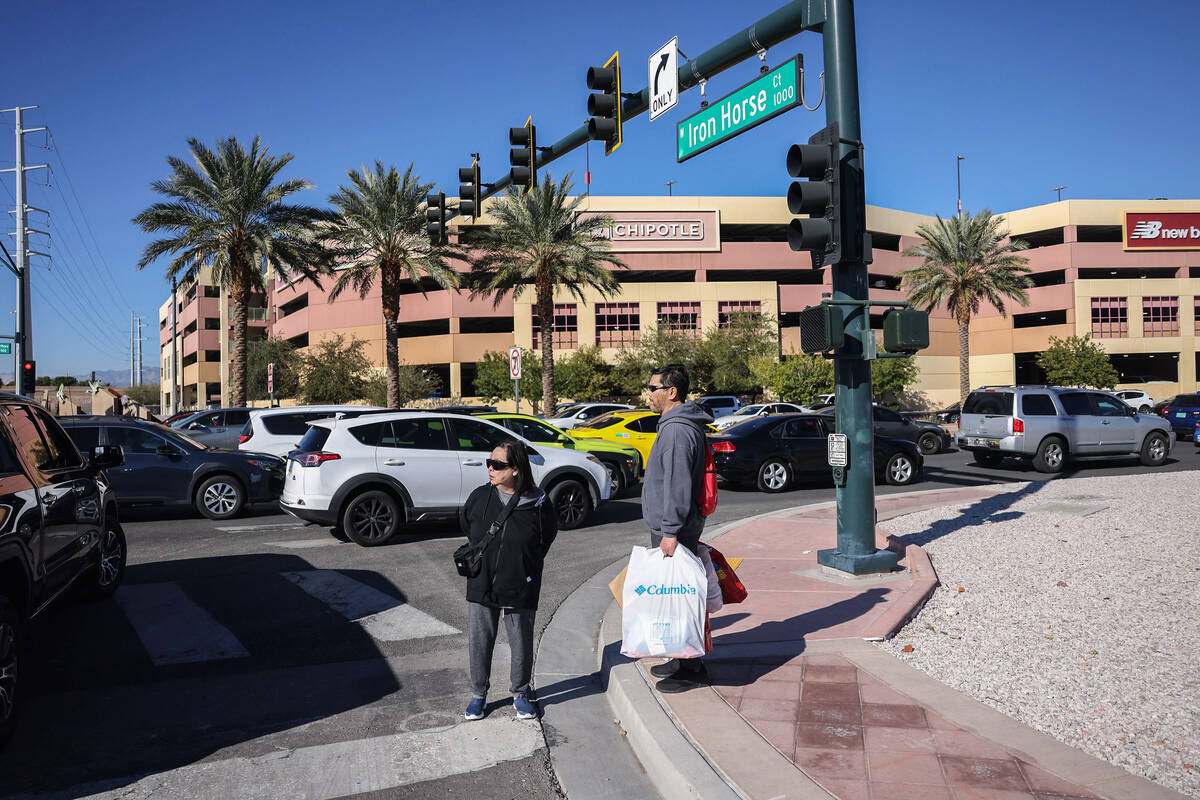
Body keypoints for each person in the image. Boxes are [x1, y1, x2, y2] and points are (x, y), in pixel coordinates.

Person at [459, 439, 558, 721]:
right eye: (489, 463)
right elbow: (467, 524)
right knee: (480, 640)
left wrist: (525, 564)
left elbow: (546, 537)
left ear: (516, 469)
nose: (490, 468)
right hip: (482, 581)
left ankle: (520, 692)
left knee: (521, 640)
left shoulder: (538, 503)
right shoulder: (480, 496)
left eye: (498, 465)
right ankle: (478, 694)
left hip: (520, 582)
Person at [641, 363, 714, 692]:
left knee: (681, 598)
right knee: (674, 598)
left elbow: (678, 485)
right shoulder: (676, 425)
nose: (649, 393)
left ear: (672, 391)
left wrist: (669, 532)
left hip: (675, 531)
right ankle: (681, 658)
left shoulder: (677, 430)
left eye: (654, 387)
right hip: (675, 528)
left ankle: (692, 668)